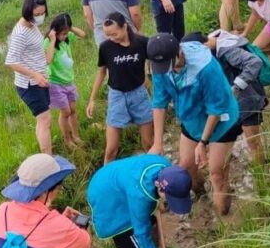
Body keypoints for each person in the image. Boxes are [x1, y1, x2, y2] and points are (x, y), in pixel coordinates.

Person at [148, 32, 241, 216]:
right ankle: (201, 196)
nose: (166, 70)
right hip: (192, 119)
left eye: (169, 64)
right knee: (187, 165)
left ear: (179, 53)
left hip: (221, 120)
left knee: (216, 173)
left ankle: (223, 220)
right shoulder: (160, 67)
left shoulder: (205, 67)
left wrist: (203, 143)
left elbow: (215, 108)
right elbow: (159, 103)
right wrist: (157, 143)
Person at [86, 154, 192, 248]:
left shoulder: (166, 168)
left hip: (113, 178)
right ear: (159, 187)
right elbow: (141, 233)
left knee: (149, 229)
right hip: (107, 198)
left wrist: (158, 202)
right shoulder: (139, 197)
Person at [85, 11, 154, 164]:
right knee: (111, 149)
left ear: (124, 27)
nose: (111, 39)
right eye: (107, 35)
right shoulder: (105, 47)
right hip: (117, 96)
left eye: (114, 34)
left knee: (149, 143)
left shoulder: (141, 42)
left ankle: (154, 176)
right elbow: (101, 72)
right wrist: (92, 99)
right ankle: (105, 182)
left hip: (139, 95)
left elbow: (157, 57)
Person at [203, 30, 269, 164]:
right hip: (228, 104)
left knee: (253, 141)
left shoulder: (226, 50)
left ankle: (263, 177)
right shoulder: (206, 53)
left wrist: (236, 87)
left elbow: (254, 63)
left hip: (247, 99)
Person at [5, 0, 53, 154]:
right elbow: (11, 61)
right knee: (45, 120)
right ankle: (48, 159)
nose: (40, 17)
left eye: (42, 13)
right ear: (27, 12)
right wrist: (35, 75)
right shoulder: (20, 32)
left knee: (43, 121)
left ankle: (46, 156)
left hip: (40, 80)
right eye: (37, 14)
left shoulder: (33, 25)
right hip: (29, 84)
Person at [44, 13, 87, 149]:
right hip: (56, 83)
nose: (65, 36)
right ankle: (67, 140)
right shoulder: (48, 42)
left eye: (66, 33)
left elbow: (83, 35)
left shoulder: (67, 38)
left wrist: (71, 28)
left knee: (73, 110)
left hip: (69, 81)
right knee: (66, 112)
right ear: (54, 32)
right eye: (62, 34)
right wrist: (51, 40)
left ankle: (76, 136)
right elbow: (48, 60)